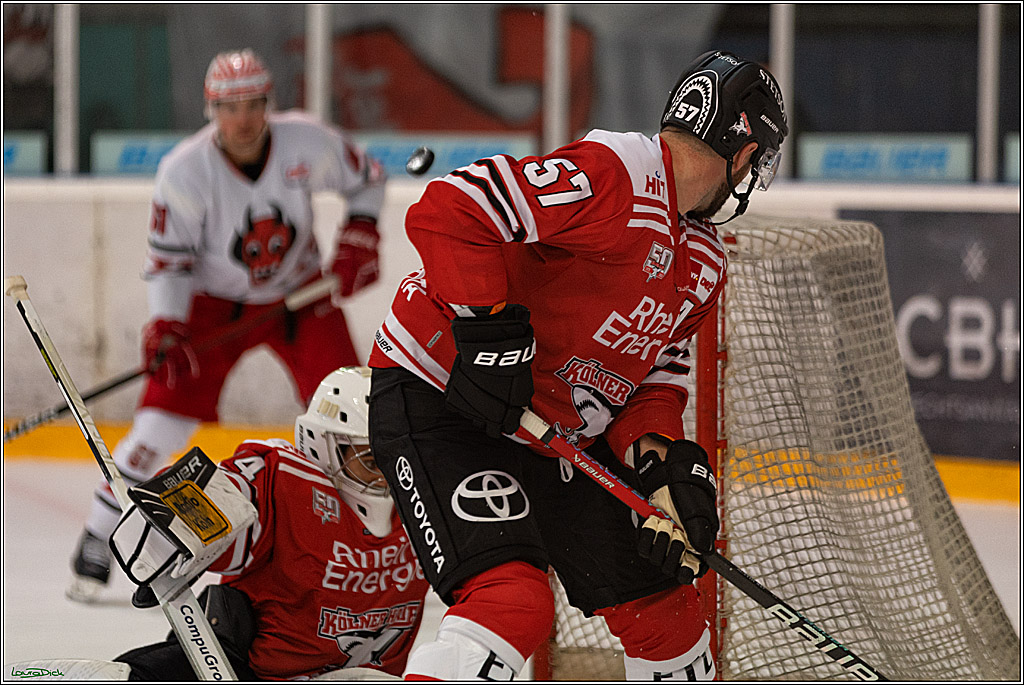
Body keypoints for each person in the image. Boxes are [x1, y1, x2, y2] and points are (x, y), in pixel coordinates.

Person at [366, 50, 787, 680]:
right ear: (746, 154)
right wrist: (487, 336)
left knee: (670, 615)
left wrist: (663, 469)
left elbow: (650, 381)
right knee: (513, 604)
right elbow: (451, 209)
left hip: (554, 437)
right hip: (442, 395)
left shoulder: (703, 261)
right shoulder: (618, 173)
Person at [69, 48, 388, 602]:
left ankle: (377, 540)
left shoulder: (306, 142)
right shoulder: (184, 171)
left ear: (269, 104)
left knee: (355, 419)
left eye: (252, 104)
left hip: (300, 296)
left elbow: (370, 180)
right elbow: (169, 261)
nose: (241, 119)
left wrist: (360, 234)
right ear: (209, 109)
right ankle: (98, 535)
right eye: (228, 106)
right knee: (160, 423)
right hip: (214, 306)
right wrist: (168, 325)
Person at [107, 367, 431, 680]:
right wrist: (173, 515)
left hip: (365, 677)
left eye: (394, 453)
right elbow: (220, 495)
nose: (387, 475)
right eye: (371, 460)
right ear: (325, 446)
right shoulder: (284, 484)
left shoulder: (427, 496)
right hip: (252, 672)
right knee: (131, 676)